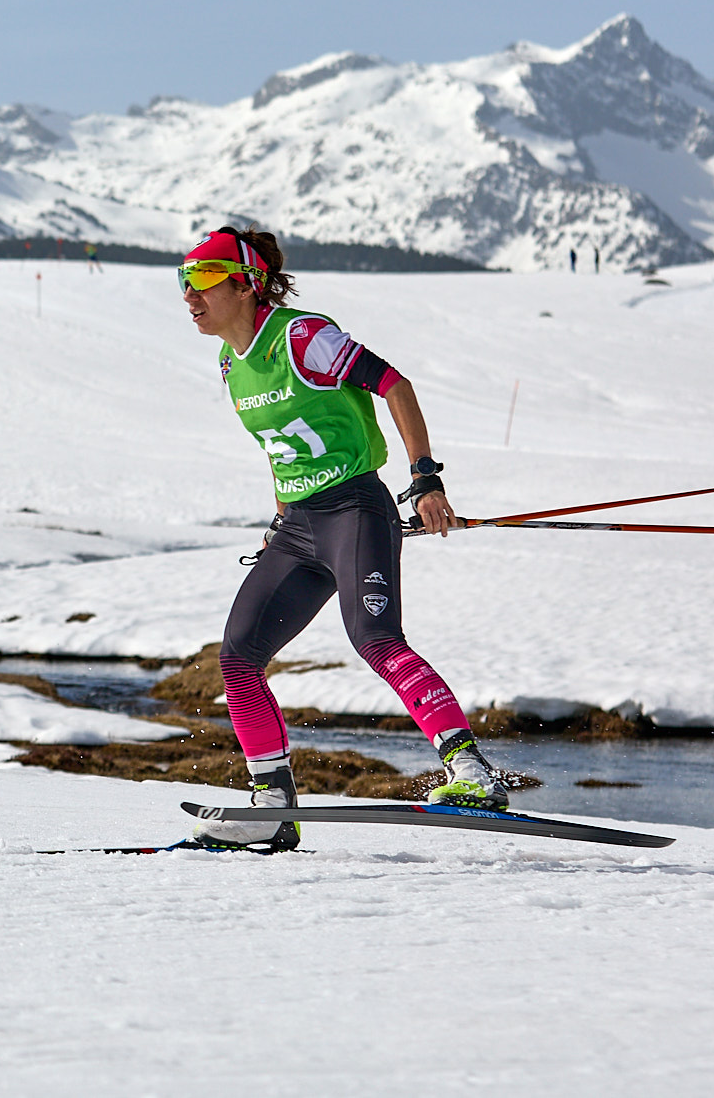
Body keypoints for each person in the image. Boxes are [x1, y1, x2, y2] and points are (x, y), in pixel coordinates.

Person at [178, 226, 507, 851]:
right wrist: (281, 514)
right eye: (184, 283)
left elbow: (395, 385)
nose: (190, 296)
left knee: (376, 640)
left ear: (245, 284)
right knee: (238, 655)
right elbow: (280, 447)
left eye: (203, 281)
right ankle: (273, 806)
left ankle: (471, 771)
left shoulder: (303, 337)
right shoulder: (229, 361)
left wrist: (425, 480)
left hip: (356, 508)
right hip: (299, 526)